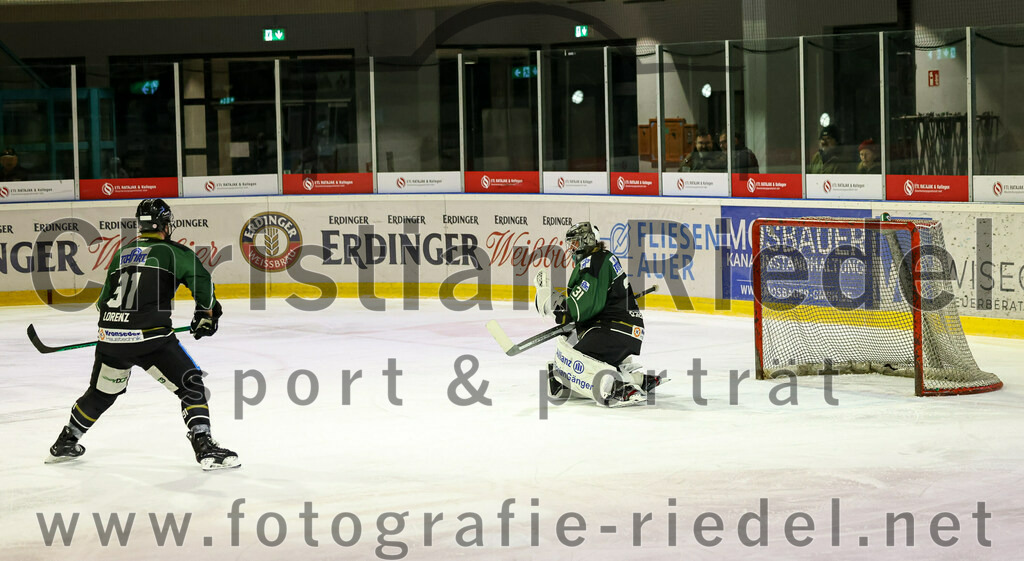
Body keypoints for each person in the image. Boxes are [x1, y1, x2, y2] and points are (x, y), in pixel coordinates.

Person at [46, 198, 239, 470]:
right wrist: (205, 315)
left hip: (109, 338)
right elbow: (202, 282)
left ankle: (67, 440)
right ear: (165, 225)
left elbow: (102, 303)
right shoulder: (173, 252)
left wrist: (121, 325)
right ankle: (204, 445)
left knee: (101, 393)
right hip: (150, 341)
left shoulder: (121, 253)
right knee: (191, 385)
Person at [535, 222, 665, 407]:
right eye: (570, 244)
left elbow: (577, 309)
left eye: (575, 243)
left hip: (612, 331)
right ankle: (633, 378)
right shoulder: (602, 259)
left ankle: (615, 388)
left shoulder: (594, 262)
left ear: (588, 241)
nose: (572, 248)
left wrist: (550, 302)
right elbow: (591, 307)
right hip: (624, 331)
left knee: (569, 364)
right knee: (572, 353)